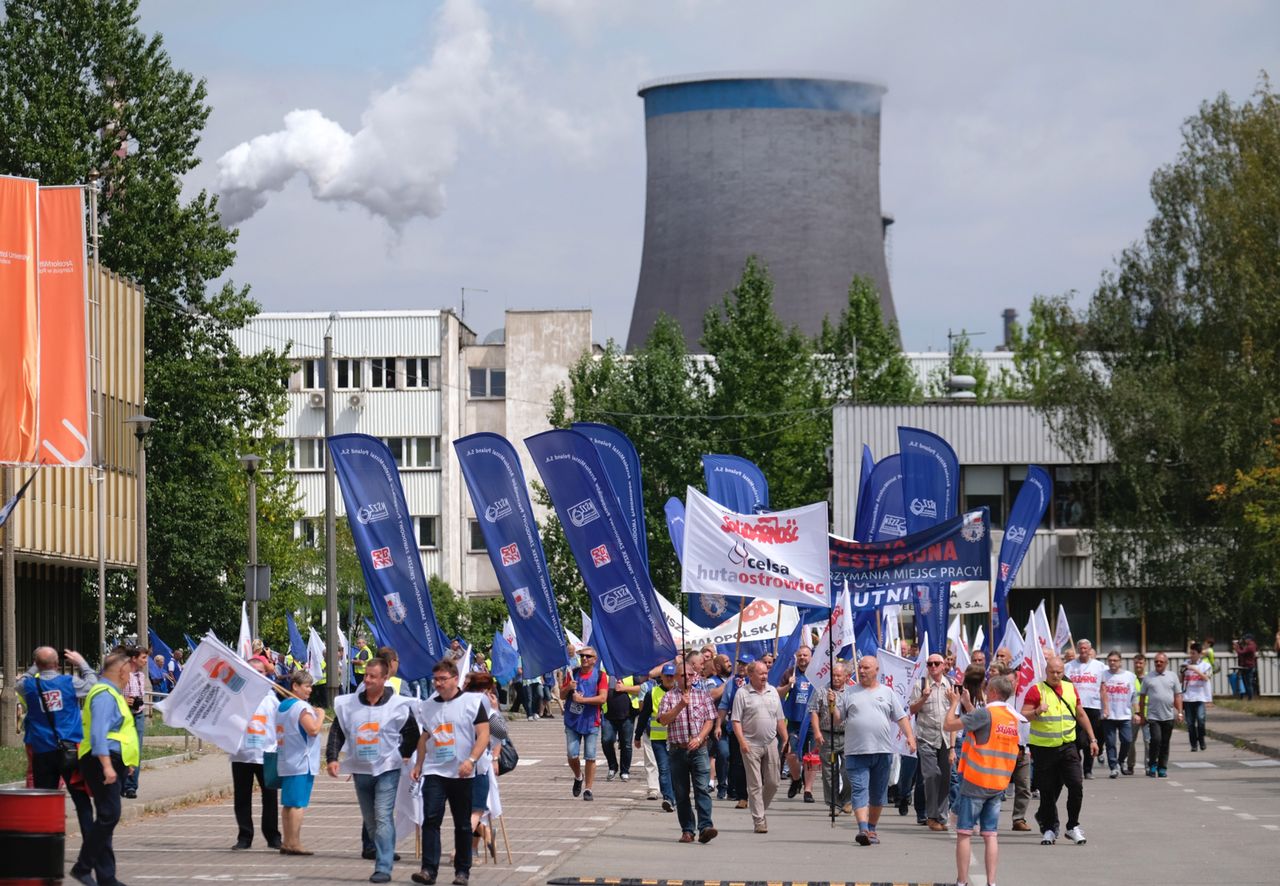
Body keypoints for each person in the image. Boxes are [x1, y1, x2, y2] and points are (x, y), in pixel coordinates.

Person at [326, 656, 419, 883]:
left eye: (372, 676)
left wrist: (402, 755)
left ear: (384, 678)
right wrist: (332, 758)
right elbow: (337, 731)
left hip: (387, 768)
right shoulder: (349, 704)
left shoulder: (397, 705)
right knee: (371, 821)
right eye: (366, 675)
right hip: (361, 769)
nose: (367, 680)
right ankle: (381, 852)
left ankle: (383, 867)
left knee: (383, 815)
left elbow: (412, 733)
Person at [411, 658, 490, 886]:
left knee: (463, 824)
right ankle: (428, 870)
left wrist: (472, 760)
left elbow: (483, 734)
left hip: (462, 772)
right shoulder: (427, 706)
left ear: (455, 679)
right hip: (435, 770)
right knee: (431, 819)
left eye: (443, 679)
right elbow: (425, 737)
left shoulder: (473, 702)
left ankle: (462, 871)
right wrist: (418, 764)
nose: (438, 683)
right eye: (435, 679)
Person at [944, 674, 1021, 886]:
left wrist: (954, 704)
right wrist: (969, 704)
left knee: (964, 833)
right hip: (999, 782)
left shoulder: (986, 713)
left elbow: (949, 725)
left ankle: (962, 881)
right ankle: (991, 882)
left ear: (994, 692)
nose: (985, 690)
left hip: (977, 780)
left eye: (988, 688)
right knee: (990, 834)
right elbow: (984, 727)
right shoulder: (1010, 716)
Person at [70, 650, 138, 886]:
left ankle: (107, 878)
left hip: (111, 760)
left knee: (106, 817)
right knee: (109, 815)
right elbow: (99, 734)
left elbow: (120, 732)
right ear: (121, 671)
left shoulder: (112, 694)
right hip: (100, 760)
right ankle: (82, 866)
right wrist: (108, 766)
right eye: (129, 671)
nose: (130, 676)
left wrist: (127, 763)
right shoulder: (104, 695)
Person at [834, 655, 916, 847]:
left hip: (882, 751)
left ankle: (872, 828)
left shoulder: (887, 693)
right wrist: (832, 706)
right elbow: (838, 719)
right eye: (860, 668)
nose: (862, 671)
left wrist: (910, 738)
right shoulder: (849, 692)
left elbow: (901, 717)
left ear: (876, 670)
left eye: (866, 668)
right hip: (856, 751)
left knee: (878, 794)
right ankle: (862, 828)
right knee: (860, 790)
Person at [19, 647, 96, 839]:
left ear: (36, 664)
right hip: (69, 749)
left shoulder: (28, 685)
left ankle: (48, 843)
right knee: (81, 799)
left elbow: (19, 683)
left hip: (42, 751)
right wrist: (81, 663)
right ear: (57, 664)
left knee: (46, 799)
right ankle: (91, 844)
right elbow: (93, 685)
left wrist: (34, 667)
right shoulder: (69, 682)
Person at [1021, 655, 1097, 845]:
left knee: (1076, 785)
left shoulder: (1070, 688)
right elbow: (1022, 716)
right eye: (1052, 672)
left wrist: (1092, 738)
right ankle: (1049, 828)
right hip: (1044, 749)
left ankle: (1072, 826)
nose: (1056, 675)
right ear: (1046, 672)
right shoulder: (1036, 690)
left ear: (1064, 672)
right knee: (1047, 791)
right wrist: (1037, 711)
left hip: (1068, 746)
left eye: (1059, 672)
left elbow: (1080, 713)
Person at [657, 652, 718, 844]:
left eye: (690, 675)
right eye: (682, 675)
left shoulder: (703, 696)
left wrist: (700, 738)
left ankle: (706, 826)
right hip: (677, 750)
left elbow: (710, 720)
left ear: (696, 676)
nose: (687, 678)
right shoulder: (668, 697)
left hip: (698, 748)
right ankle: (687, 830)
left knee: (702, 788)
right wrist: (679, 707)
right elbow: (663, 720)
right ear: (676, 677)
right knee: (682, 792)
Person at [230, 656, 283, 851]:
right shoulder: (237, 696)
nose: (256, 675)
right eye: (252, 671)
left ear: (266, 674)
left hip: (267, 754)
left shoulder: (272, 698)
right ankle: (245, 836)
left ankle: (273, 836)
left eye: (260, 672)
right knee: (242, 796)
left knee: (270, 797)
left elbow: (280, 724)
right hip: (242, 754)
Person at [732, 659, 787, 834]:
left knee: (773, 782)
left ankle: (760, 809)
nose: (764, 676)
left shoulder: (773, 692)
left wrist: (786, 739)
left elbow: (779, 719)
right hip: (750, 744)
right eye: (760, 673)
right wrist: (742, 742)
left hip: (770, 742)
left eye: (766, 673)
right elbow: (736, 721)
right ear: (750, 675)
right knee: (754, 783)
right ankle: (759, 819)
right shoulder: (742, 693)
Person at [276, 669, 325, 856]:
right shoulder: (299, 707)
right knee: (297, 804)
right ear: (295, 686)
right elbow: (312, 730)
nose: (310, 690)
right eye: (306, 686)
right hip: (301, 761)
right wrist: (319, 714)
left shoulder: (282, 706)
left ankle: (287, 841)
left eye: (311, 686)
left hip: (287, 759)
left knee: (289, 804)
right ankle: (294, 842)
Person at [909, 650, 954, 832]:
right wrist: (924, 697)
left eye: (937, 663)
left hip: (945, 736)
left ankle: (942, 816)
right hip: (926, 737)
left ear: (944, 666)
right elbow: (912, 709)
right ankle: (932, 816)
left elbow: (954, 715)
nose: (933, 667)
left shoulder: (950, 685)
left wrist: (952, 747)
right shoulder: (921, 685)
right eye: (930, 664)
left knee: (945, 777)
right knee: (931, 775)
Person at [463, 675, 506, 862]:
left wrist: (495, 758)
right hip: (461, 763)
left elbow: (498, 734)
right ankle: (485, 832)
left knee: (477, 807)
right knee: (469, 809)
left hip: (480, 764)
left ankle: (470, 848)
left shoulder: (486, 705)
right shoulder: (461, 702)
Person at [560, 645, 608, 801]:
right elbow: (561, 695)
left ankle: (588, 789)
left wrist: (583, 700)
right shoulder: (572, 673)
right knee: (572, 753)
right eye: (582, 656)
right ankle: (578, 776)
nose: (584, 659)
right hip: (572, 720)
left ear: (594, 660)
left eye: (588, 656)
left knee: (590, 756)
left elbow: (602, 698)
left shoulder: (600, 676)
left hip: (591, 721)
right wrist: (568, 687)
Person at [809, 660, 851, 815]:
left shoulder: (852, 692)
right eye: (833, 675)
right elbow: (814, 711)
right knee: (830, 771)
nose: (836, 678)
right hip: (829, 737)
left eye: (839, 675)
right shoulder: (821, 691)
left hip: (848, 737)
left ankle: (847, 800)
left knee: (848, 770)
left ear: (846, 676)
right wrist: (817, 732)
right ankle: (834, 803)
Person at [1064, 638, 1106, 780]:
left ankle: (1088, 770)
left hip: (1093, 706)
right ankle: (1077, 766)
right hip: (1074, 706)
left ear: (1090, 650)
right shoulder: (1069, 667)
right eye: (1080, 648)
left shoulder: (1100, 667)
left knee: (1090, 739)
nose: (1083, 651)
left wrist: (1105, 708)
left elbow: (1103, 689)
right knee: (1076, 739)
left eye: (1085, 649)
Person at [779, 645, 817, 802]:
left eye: (805, 655)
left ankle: (808, 790)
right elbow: (777, 693)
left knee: (811, 757)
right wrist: (789, 685)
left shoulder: (818, 674)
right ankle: (796, 780)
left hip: (812, 721)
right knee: (791, 754)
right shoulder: (790, 672)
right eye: (800, 655)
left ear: (811, 657)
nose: (802, 658)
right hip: (794, 721)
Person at [1137, 652, 1183, 777]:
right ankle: (1153, 765)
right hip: (1153, 716)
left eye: (1161, 662)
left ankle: (1162, 767)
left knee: (1165, 742)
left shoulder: (1172, 676)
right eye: (1156, 661)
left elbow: (1177, 695)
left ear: (1166, 663)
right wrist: (1141, 715)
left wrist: (1179, 712)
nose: (1158, 663)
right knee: (1155, 740)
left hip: (1168, 715)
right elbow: (1142, 697)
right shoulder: (1149, 677)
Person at [716, 653, 751, 808]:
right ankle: (740, 794)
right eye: (740, 663)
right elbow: (723, 705)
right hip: (735, 728)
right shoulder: (731, 683)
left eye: (745, 664)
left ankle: (754, 791)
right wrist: (718, 725)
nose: (741, 667)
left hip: (753, 729)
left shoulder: (756, 681)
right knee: (737, 762)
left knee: (753, 763)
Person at [634, 669, 674, 805]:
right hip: (657, 737)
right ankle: (667, 797)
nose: (669, 678)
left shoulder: (680, 693)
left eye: (672, 675)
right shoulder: (652, 693)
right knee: (663, 768)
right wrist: (637, 735)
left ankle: (674, 794)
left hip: (676, 738)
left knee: (674, 768)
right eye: (667, 675)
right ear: (661, 676)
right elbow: (644, 715)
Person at [1100, 650, 1139, 779]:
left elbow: (1134, 696)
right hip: (1109, 716)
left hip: (1125, 715)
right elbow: (1098, 693)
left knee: (1127, 740)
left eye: (1115, 660)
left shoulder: (1130, 676)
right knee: (1110, 743)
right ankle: (1113, 767)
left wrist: (1136, 713)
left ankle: (1121, 760)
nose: (1112, 663)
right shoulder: (1103, 675)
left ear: (1120, 662)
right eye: (1110, 660)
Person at [601, 671, 640, 783]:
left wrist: (624, 688)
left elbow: (640, 688)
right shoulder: (605, 672)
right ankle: (613, 766)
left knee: (626, 744)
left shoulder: (631, 671)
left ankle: (625, 771)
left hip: (627, 715)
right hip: (608, 714)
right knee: (606, 740)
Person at [122, 645, 150, 799]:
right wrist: (123, 700)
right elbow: (111, 691)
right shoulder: (122, 674)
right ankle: (120, 783)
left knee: (136, 751)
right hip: (124, 715)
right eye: (143, 657)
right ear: (133, 658)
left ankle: (131, 786)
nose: (146, 661)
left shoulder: (141, 676)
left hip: (138, 714)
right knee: (122, 750)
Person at [1182, 642, 1212, 752]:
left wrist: (1194, 669)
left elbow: (1206, 678)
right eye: (1190, 653)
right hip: (1188, 697)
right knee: (1190, 723)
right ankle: (1193, 744)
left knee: (1201, 719)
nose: (1191, 655)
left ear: (1199, 654)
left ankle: (1202, 739)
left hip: (1200, 697)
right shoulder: (1185, 664)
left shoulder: (1205, 665)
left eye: (1194, 653)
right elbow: (1181, 680)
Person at [1125, 653, 1148, 776]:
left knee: (1148, 741)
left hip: (1148, 714)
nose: (1138, 665)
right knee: (1130, 741)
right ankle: (1130, 765)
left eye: (1141, 663)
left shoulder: (1150, 678)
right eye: (1136, 663)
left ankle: (1149, 766)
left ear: (1145, 664)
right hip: (1133, 714)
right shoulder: (1129, 677)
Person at [1233, 634, 1258, 700]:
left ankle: (1250, 698)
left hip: (1248, 666)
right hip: (1247, 666)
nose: (1245, 640)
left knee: (1248, 683)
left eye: (1246, 639)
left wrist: (1236, 648)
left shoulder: (1250, 646)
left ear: (1249, 639)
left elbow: (1241, 653)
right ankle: (1247, 697)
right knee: (1245, 682)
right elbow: (1243, 652)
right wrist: (1239, 646)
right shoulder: (1251, 645)